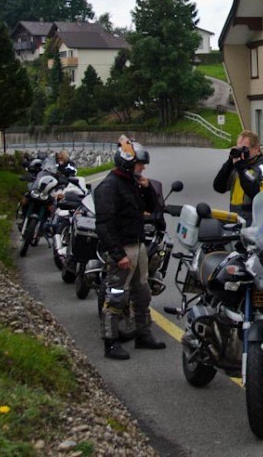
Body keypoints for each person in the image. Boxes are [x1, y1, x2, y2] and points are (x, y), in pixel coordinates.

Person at [93, 136, 167, 360]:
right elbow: (104, 225)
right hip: (122, 249)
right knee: (116, 296)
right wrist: (117, 254)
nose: (143, 167)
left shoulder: (132, 183)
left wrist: (147, 189)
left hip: (138, 244)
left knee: (142, 294)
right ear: (127, 162)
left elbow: (153, 209)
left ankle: (143, 334)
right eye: (139, 163)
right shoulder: (109, 186)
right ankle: (111, 342)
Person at [212, 130, 263, 224]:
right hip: (236, 220)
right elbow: (218, 187)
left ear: (257, 148)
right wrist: (230, 162)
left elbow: (260, 195)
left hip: (257, 221)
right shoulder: (237, 166)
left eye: (245, 149)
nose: (241, 153)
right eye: (239, 149)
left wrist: (242, 169)